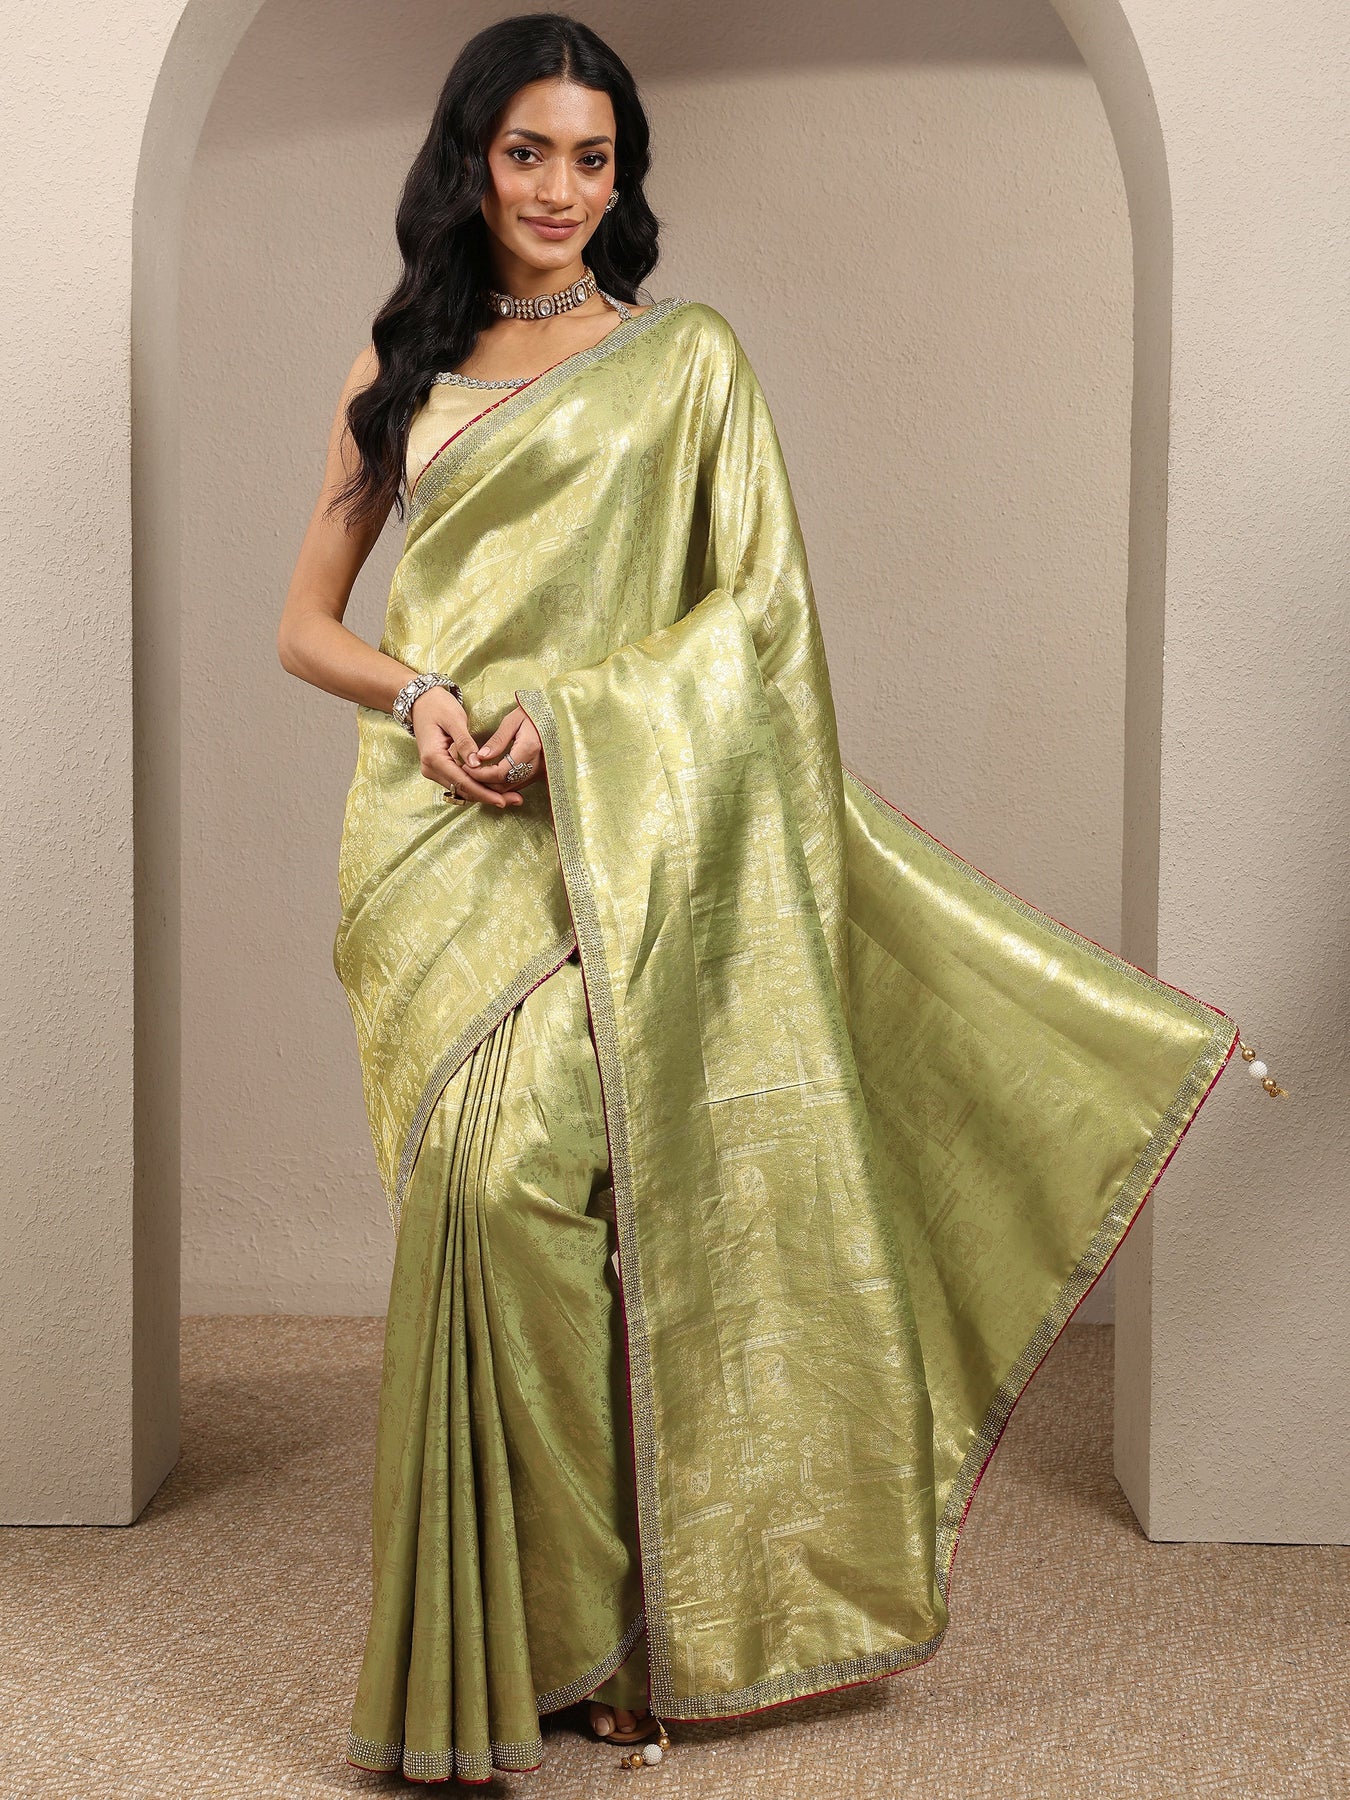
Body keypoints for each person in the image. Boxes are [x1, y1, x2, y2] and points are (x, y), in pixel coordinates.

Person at [277, 10, 1276, 1786]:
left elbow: (757, 621)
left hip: (620, 830)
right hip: (438, 841)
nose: (560, 188)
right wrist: (420, 696)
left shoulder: (684, 364)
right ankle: (543, 1631)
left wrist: (572, 716)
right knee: (472, 1206)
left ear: (623, 176)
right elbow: (306, 627)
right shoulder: (401, 354)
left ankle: (600, 1631)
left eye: (592, 158)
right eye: (527, 152)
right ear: (469, 162)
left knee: (539, 1183)